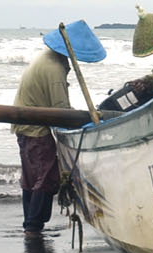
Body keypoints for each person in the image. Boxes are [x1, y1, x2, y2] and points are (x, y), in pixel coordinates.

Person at [12, 21, 106, 234]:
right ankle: (34, 226)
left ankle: (31, 223)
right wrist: (86, 118)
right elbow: (61, 110)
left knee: (32, 176)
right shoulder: (54, 69)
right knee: (46, 176)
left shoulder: (46, 57)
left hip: (26, 124)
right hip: (35, 128)